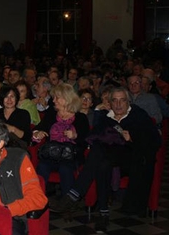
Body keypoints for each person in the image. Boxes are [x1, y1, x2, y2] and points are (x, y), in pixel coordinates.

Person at [52, 87, 161, 233]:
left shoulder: (138, 114)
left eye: (122, 100)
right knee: (102, 161)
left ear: (128, 102)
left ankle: (74, 195)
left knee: (100, 156)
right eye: (114, 100)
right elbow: (93, 136)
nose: (118, 104)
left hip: (132, 159)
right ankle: (103, 214)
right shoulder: (106, 117)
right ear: (109, 103)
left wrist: (132, 138)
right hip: (109, 157)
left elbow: (155, 139)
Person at [32, 83, 90, 196]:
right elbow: (38, 128)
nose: (54, 100)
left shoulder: (81, 118)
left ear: (67, 99)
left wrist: (75, 136)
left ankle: (67, 202)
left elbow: (86, 141)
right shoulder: (51, 114)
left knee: (65, 168)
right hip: (51, 154)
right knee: (42, 166)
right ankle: (37, 199)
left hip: (70, 156)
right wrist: (37, 133)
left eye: (57, 97)